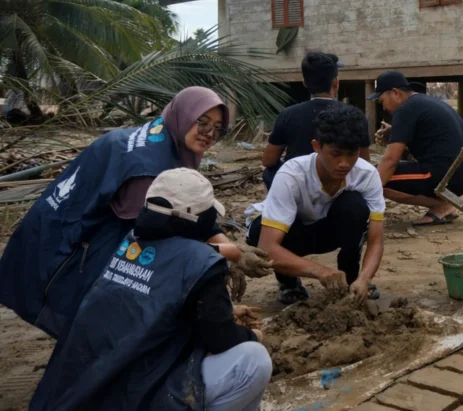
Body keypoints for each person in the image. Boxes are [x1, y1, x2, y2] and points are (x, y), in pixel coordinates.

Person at [0, 87, 266, 339]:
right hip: (75, 241)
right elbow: (159, 246)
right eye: (203, 122)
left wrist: (232, 250)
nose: (209, 133)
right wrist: (226, 256)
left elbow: (190, 211)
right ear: (184, 116)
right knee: (102, 315)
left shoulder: (163, 136)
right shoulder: (148, 169)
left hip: (86, 224)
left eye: (217, 129)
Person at [30, 168, 272, 411]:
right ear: (194, 218)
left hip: (83, 387)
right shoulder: (200, 262)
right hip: (138, 391)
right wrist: (253, 336)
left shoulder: (127, 242)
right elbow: (221, 338)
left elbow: (155, 306)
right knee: (253, 360)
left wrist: (225, 311)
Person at [246, 103, 385, 305]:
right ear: (316, 147)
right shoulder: (292, 174)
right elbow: (268, 247)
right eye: (336, 154)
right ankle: (288, 282)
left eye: (352, 154)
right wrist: (319, 271)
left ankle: (350, 279)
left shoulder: (366, 175)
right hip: (290, 233)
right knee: (265, 231)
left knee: (355, 207)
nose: (344, 163)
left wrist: (366, 277)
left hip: (324, 229)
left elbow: (376, 240)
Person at [370, 70, 463, 226]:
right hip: (462, 174)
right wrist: (392, 133)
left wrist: (368, 190)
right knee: (379, 175)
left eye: (382, 101)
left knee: (374, 178)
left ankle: (441, 206)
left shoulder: (405, 110)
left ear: (395, 93)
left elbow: (391, 160)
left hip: (446, 177)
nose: (384, 108)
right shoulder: (423, 103)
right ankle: (442, 204)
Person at [262, 51, 368, 189]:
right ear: (336, 82)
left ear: (305, 83)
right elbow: (365, 161)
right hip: (337, 183)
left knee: (269, 172)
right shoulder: (355, 115)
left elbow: (268, 161)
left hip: (298, 183)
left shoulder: (287, 114)